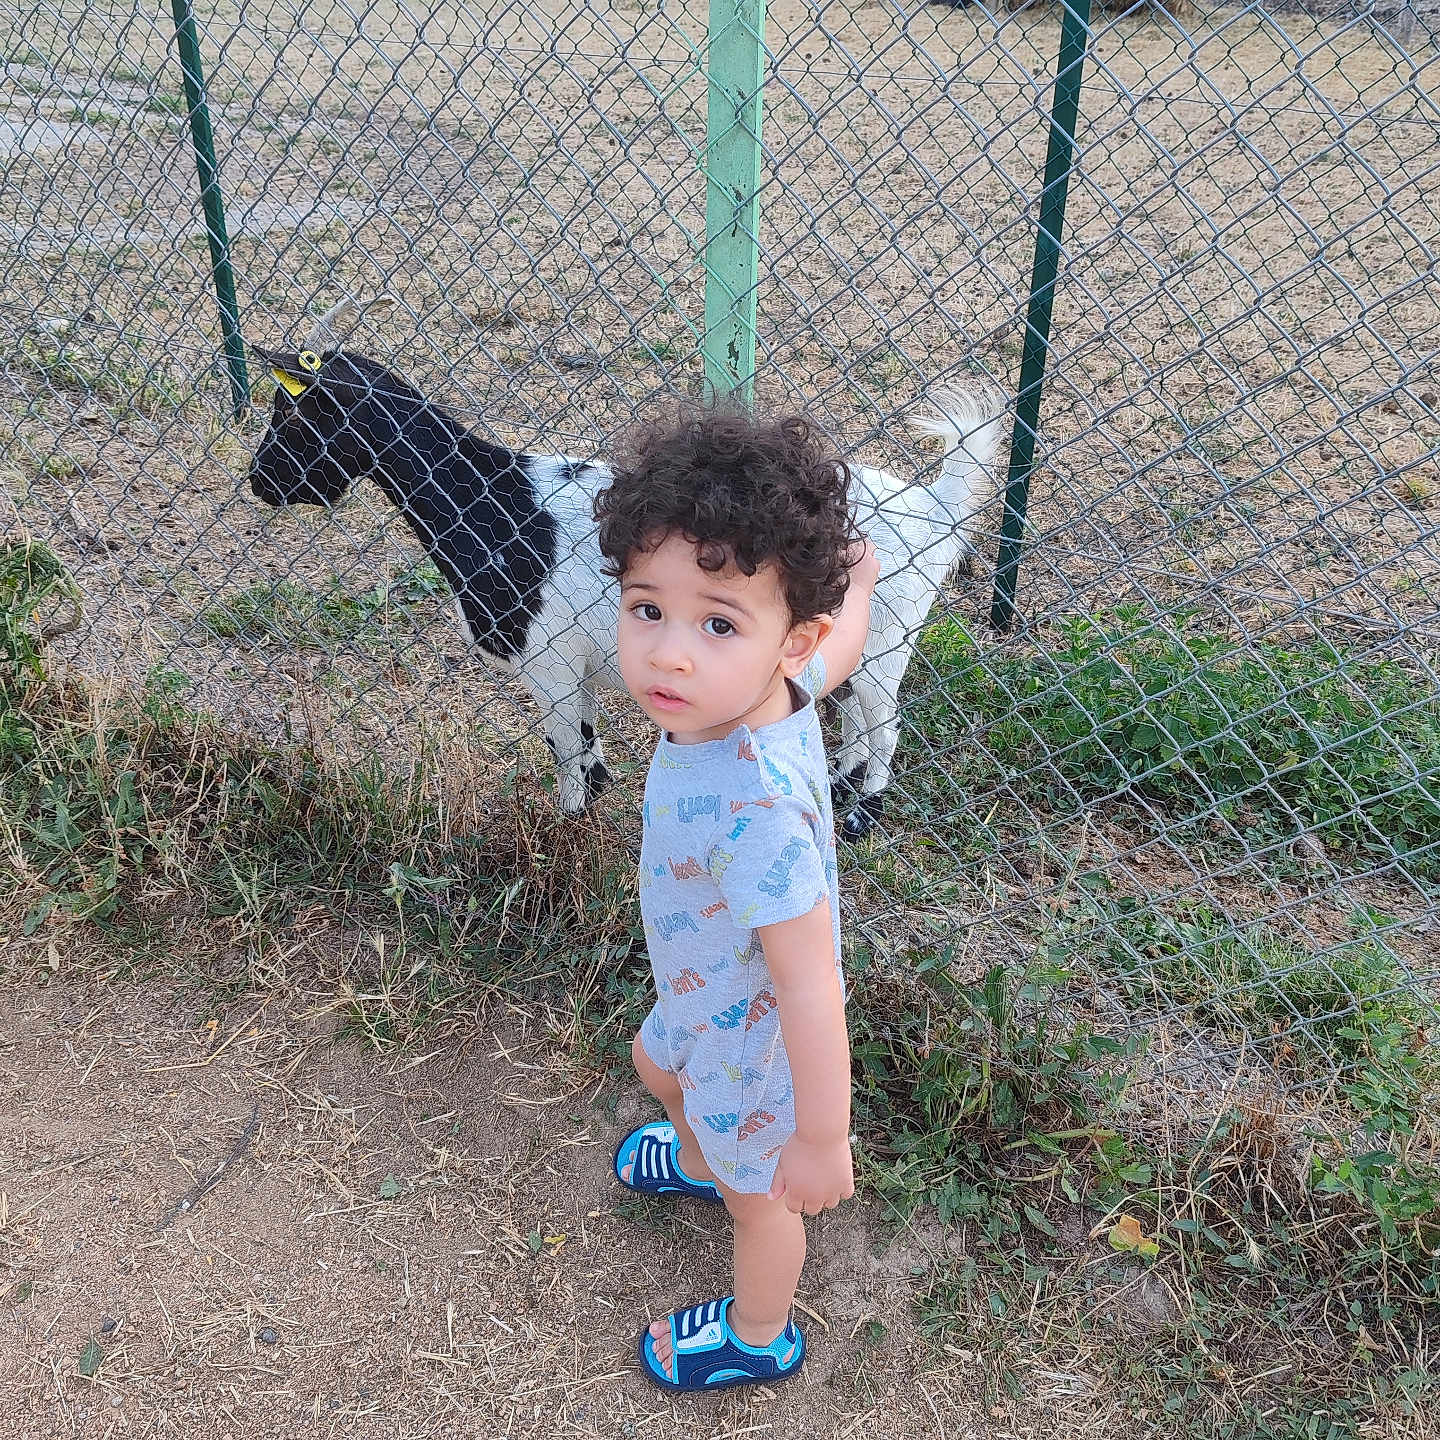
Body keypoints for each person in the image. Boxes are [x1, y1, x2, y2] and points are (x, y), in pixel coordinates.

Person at [592, 403, 879, 1393]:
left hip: (758, 1050)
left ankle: (757, 1337)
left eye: (718, 623)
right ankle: (706, 1162)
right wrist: (862, 582)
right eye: (646, 608)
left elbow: (810, 988)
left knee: (768, 1209)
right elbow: (840, 650)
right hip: (704, 988)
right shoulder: (775, 691)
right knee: (651, 1059)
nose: (671, 653)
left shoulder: (755, 818)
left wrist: (819, 1136)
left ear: (786, 640)